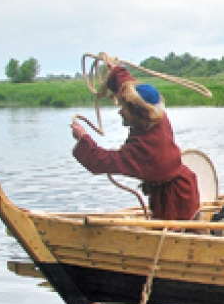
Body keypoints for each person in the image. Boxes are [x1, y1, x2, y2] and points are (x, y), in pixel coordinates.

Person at [71, 60, 199, 221]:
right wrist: (115, 70)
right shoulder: (156, 116)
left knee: (176, 232)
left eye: (124, 109)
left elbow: (102, 161)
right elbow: (128, 86)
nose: (120, 112)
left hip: (174, 200)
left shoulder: (144, 148)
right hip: (182, 186)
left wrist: (83, 138)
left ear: (137, 114)